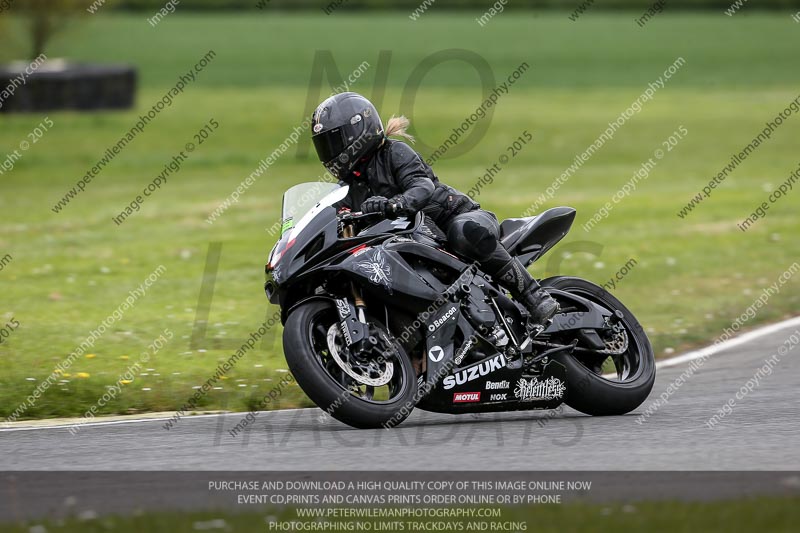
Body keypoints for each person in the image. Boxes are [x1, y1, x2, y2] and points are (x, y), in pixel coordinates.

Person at [310, 92, 558, 329]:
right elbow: (333, 216)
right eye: (324, 145)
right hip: (411, 243)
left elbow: (421, 185)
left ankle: (534, 297)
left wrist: (395, 204)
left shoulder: (394, 152)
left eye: (334, 142)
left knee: (464, 232)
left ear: (359, 132)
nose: (330, 152)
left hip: (455, 218)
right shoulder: (348, 188)